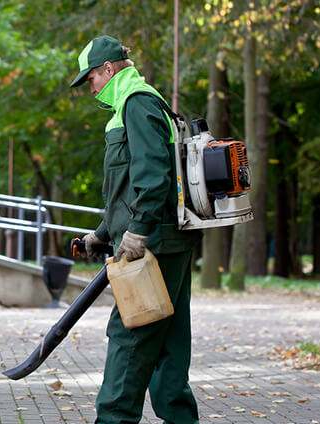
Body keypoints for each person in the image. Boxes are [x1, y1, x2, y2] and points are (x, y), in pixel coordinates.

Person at [70, 35, 203, 424]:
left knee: (131, 337)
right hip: (164, 239)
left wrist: (138, 231)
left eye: (91, 78)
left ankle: (113, 419)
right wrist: (102, 233)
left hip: (153, 244)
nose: (90, 88)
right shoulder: (138, 102)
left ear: (108, 69)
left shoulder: (136, 102)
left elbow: (152, 173)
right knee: (169, 342)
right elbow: (125, 188)